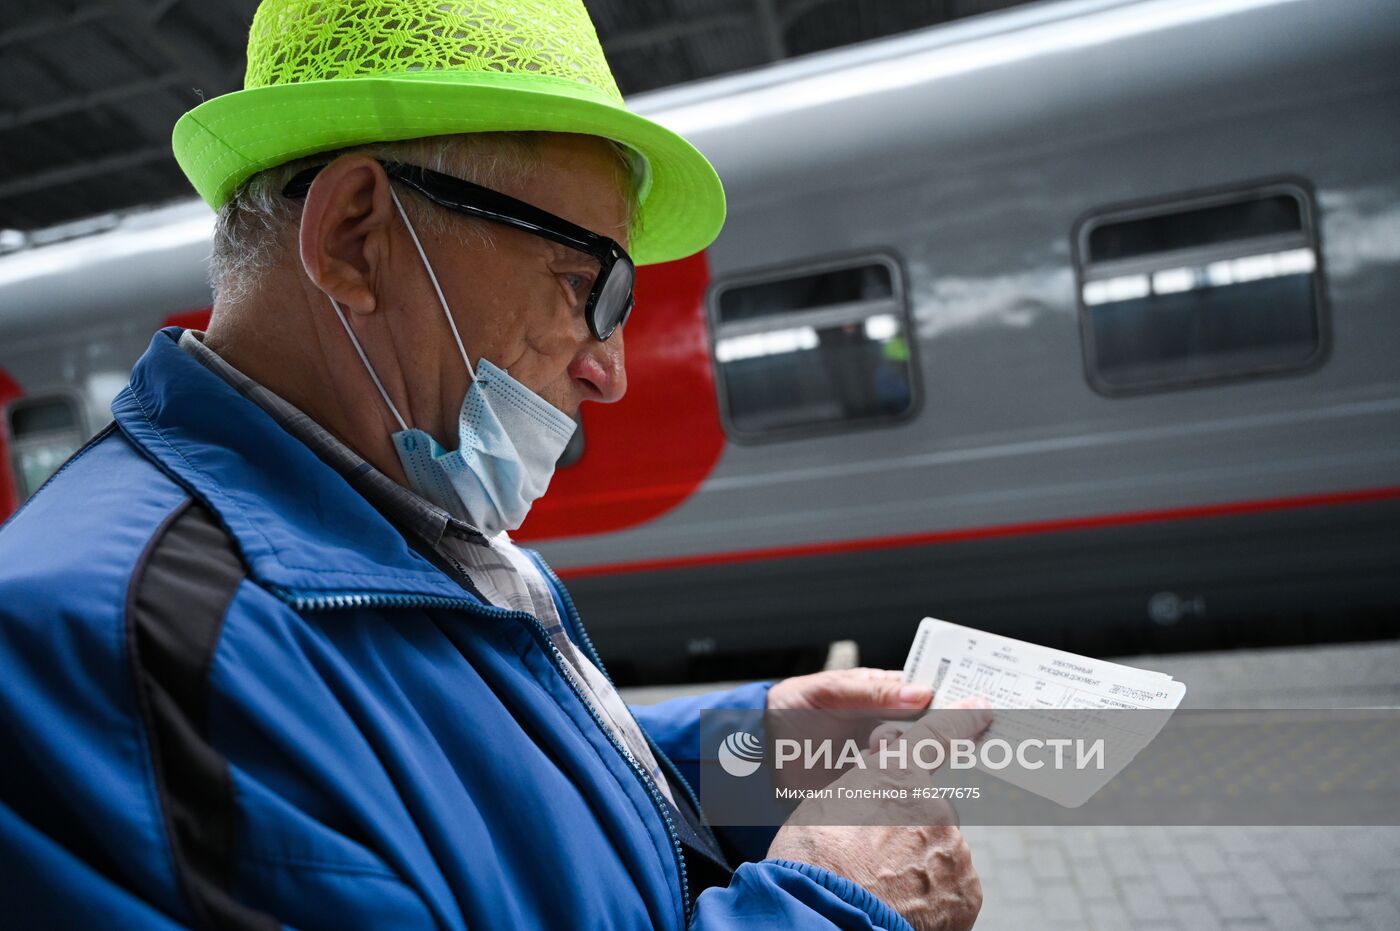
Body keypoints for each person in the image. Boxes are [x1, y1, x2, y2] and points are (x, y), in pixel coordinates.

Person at [0, 1, 985, 927]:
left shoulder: (404, 525)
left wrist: (738, 754)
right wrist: (832, 904)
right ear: (354, 236)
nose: (609, 372)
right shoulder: (94, 653)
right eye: (583, 285)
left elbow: (462, 789)